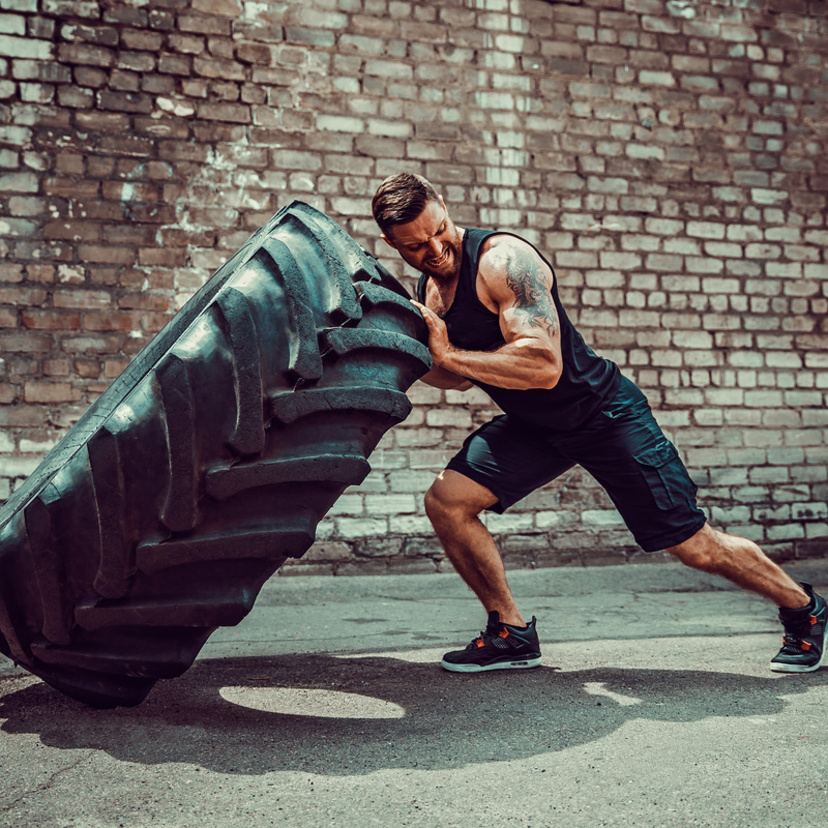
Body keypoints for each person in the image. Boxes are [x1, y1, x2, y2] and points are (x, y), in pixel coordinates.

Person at [371, 171, 826, 675]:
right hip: (536, 425)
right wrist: (409, 350)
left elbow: (543, 366)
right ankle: (511, 631)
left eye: (440, 230)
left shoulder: (503, 262)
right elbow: (454, 379)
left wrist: (451, 354)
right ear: (393, 244)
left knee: (692, 545)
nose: (435, 249)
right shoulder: (432, 290)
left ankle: (804, 608)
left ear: (443, 204)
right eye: (416, 246)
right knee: (448, 501)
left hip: (604, 414)